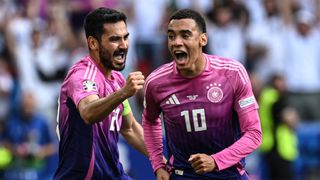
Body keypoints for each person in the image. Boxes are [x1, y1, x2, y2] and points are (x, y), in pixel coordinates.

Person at [142, 9, 262, 179]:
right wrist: (158, 164)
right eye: (171, 36)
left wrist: (215, 160)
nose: (176, 42)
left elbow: (254, 134)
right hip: (183, 175)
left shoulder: (232, 73)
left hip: (228, 174)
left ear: (202, 39)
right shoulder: (156, 82)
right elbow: (150, 120)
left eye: (185, 35)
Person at [54, 7, 148, 179]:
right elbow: (89, 112)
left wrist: (161, 160)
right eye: (114, 39)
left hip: (114, 175)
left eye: (125, 37)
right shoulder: (82, 75)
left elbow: (130, 129)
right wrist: (123, 93)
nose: (123, 45)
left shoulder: (117, 79)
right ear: (93, 43)